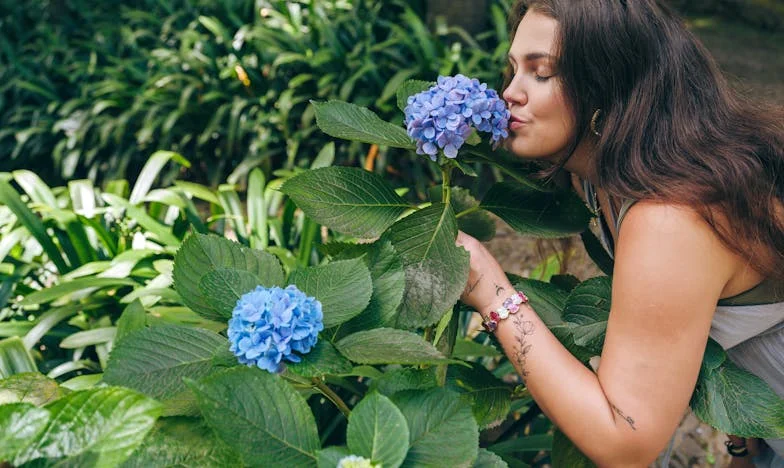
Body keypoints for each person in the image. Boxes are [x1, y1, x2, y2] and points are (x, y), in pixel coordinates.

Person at [456, 1, 784, 466]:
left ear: (607, 85)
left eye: (541, 73)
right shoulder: (607, 177)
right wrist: (740, 436)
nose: (509, 92)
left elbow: (624, 440)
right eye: (513, 71)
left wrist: (492, 295)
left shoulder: (669, 216)